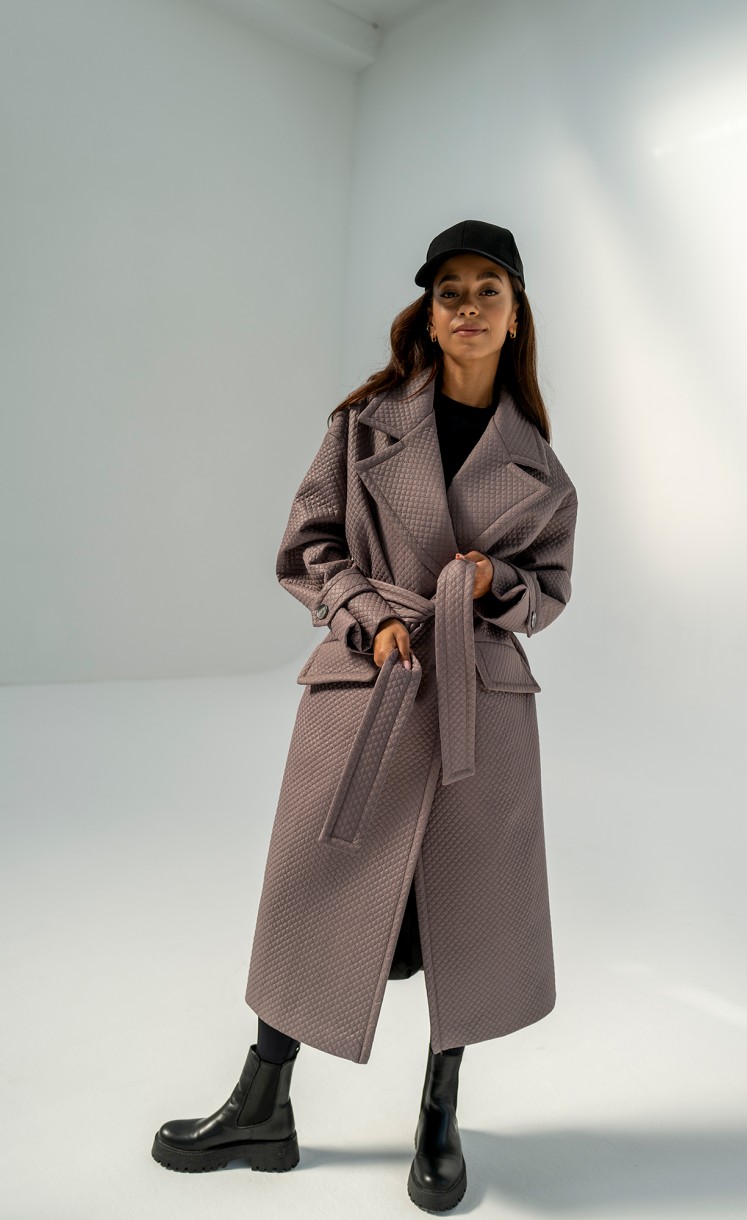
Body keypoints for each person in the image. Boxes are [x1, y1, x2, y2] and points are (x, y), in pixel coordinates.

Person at [151, 219, 579, 1212]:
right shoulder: (363, 425)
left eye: (487, 290)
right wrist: (368, 616)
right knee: (312, 883)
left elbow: (549, 591)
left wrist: (491, 582)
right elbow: (310, 546)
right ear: (427, 314)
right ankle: (262, 1102)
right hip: (367, 681)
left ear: (515, 316)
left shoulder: (541, 470)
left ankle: (438, 1115)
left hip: (478, 703)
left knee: (465, 910)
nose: (466, 306)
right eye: (448, 291)